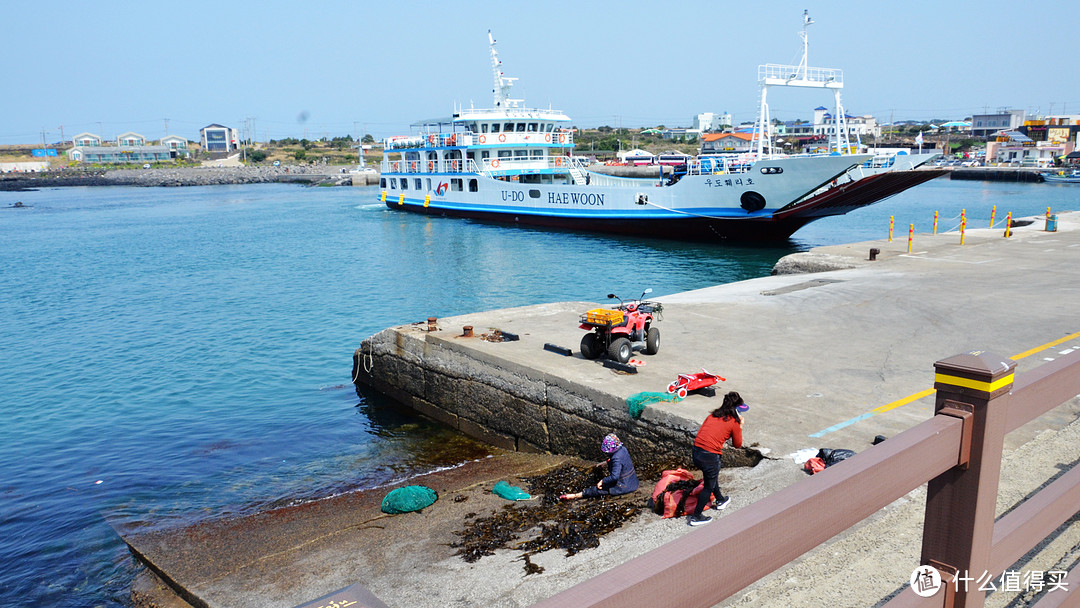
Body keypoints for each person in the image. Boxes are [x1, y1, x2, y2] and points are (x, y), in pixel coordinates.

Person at [688, 391, 745, 526]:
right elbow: (737, 445)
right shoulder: (734, 423)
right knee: (708, 486)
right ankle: (696, 516)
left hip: (696, 452)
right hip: (710, 456)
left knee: (711, 478)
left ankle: (720, 499)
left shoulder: (712, 416)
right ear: (736, 410)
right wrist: (740, 426)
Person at [560, 433, 639, 500]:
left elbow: (615, 476)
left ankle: (575, 495)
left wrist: (603, 481)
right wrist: (606, 462)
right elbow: (622, 462)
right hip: (633, 482)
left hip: (623, 487)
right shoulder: (623, 449)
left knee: (596, 490)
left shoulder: (616, 458)